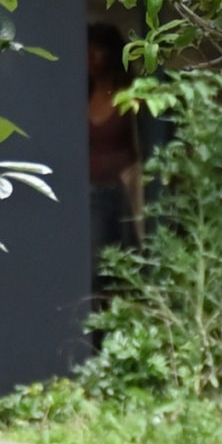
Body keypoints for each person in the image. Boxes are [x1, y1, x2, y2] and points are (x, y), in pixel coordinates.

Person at [86, 23, 144, 302]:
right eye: (88, 50)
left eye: (97, 50)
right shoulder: (80, 96)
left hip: (120, 192)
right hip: (86, 192)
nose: (91, 57)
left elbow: (142, 142)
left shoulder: (130, 96)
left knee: (119, 263)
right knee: (93, 263)